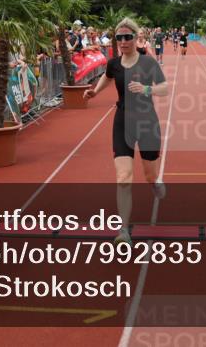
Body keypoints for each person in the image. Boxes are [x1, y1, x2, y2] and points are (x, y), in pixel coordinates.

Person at [83, 18, 168, 244]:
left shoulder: (148, 63)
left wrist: (146, 88)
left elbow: (165, 88)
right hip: (122, 121)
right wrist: (94, 92)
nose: (123, 41)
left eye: (127, 37)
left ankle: (154, 183)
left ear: (135, 38)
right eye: (119, 38)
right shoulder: (114, 63)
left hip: (147, 122)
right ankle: (123, 230)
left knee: (149, 174)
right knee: (123, 177)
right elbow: (107, 77)